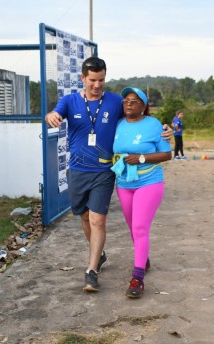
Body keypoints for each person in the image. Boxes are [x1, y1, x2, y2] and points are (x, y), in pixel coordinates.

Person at [45, 57, 172, 293]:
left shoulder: (114, 101)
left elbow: (138, 118)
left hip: (104, 171)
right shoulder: (70, 101)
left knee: (98, 220)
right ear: (83, 78)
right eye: (92, 80)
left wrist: (164, 128)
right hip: (78, 170)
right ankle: (100, 255)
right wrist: (49, 116)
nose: (97, 85)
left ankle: (91, 271)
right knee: (84, 218)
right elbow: (54, 114)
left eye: (101, 79)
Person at [111, 87, 172, 298]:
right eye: (126, 100)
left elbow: (167, 153)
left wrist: (142, 158)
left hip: (149, 181)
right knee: (132, 226)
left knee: (139, 226)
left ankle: (138, 278)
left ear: (144, 106)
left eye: (135, 101)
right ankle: (143, 257)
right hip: (124, 182)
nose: (129, 104)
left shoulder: (154, 125)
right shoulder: (118, 123)